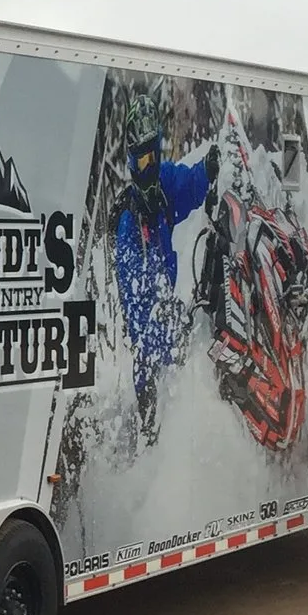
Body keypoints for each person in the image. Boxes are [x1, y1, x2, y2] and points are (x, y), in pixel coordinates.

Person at [109, 87, 214, 443]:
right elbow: (136, 310)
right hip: (149, 356)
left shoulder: (165, 182)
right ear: (131, 162)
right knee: (156, 431)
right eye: (142, 161)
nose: (149, 167)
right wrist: (168, 332)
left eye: (153, 157)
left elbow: (190, 184)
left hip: (169, 325)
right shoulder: (129, 225)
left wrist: (211, 168)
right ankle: (149, 442)